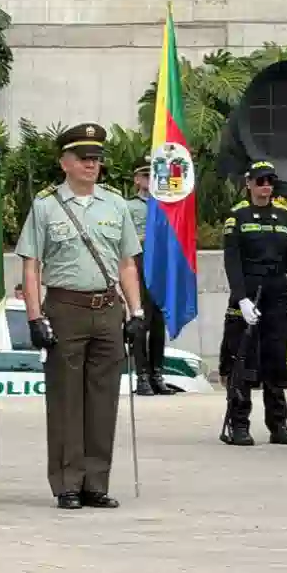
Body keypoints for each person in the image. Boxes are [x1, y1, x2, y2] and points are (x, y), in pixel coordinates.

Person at [15, 123, 145, 510]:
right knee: (66, 399)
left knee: (104, 399)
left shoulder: (116, 205)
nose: (91, 164)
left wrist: (135, 310)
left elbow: (126, 264)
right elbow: (32, 267)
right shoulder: (46, 207)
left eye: (96, 159)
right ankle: (68, 482)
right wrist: (35, 318)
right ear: (65, 162)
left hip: (106, 308)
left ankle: (96, 482)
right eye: (83, 158)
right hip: (65, 307)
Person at [218, 161, 287, 447]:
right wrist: (241, 297)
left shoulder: (284, 216)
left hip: (276, 291)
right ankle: (238, 425)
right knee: (243, 359)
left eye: (270, 181)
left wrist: (273, 275)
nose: (266, 185)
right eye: (261, 180)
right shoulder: (237, 216)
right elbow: (232, 260)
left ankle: (278, 424)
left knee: (276, 358)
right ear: (249, 184)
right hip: (248, 291)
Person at [127, 159, 171, 396]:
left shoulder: (165, 205)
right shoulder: (129, 206)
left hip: (159, 265)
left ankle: (157, 373)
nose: (148, 180)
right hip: (139, 264)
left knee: (157, 324)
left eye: (152, 176)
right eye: (144, 176)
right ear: (137, 180)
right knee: (140, 323)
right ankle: (142, 376)